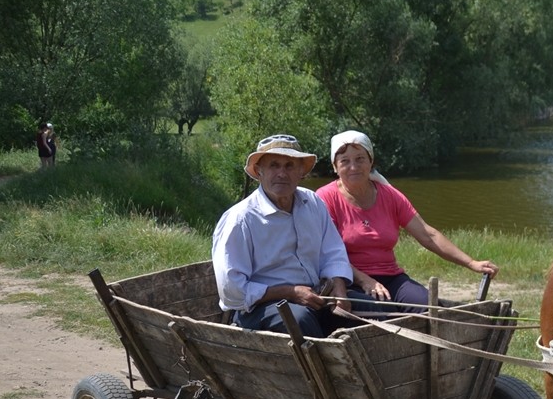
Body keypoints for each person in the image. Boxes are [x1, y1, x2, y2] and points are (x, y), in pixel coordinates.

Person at [318, 129, 498, 315]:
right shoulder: (325, 198)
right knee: (380, 312)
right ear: (335, 167)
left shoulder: (390, 195)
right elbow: (326, 253)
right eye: (345, 161)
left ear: (371, 161)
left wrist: (471, 263)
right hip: (349, 281)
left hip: (392, 277)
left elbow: (428, 235)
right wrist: (365, 280)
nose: (353, 167)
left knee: (427, 306)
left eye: (360, 159)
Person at [212, 134, 367, 338]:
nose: (282, 173)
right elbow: (232, 291)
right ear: (259, 171)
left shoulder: (312, 202)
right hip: (259, 307)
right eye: (274, 165)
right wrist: (290, 292)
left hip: (314, 296)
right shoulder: (240, 219)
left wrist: (339, 289)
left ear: (301, 171)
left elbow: (332, 252)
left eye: (289, 166)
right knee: (300, 320)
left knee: (369, 308)